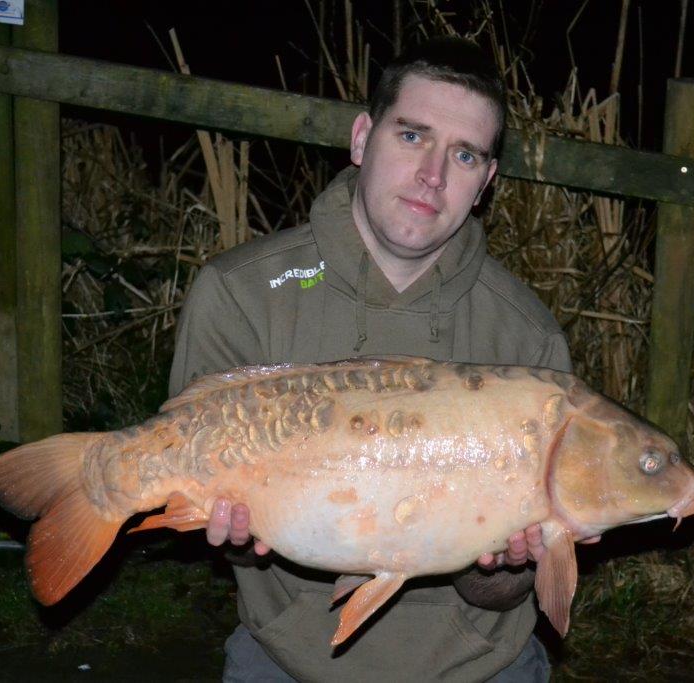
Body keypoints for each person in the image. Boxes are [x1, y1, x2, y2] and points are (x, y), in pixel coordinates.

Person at [169, 37, 571, 682]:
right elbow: (236, 550)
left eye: (464, 155)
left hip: (476, 667)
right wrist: (232, 525)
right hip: (289, 659)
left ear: (486, 184)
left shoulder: (527, 341)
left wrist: (506, 564)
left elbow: (498, 597)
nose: (433, 176)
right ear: (362, 139)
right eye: (412, 136)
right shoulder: (241, 293)